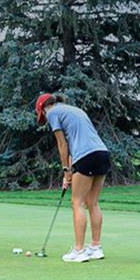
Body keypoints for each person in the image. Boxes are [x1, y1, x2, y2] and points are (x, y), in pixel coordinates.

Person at [35, 91, 110, 263]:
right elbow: (73, 143)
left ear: (44, 108)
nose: (45, 118)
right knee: (93, 203)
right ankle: (95, 247)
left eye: (42, 115)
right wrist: (68, 171)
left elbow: (63, 144)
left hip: (86, 156)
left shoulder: (53, 112)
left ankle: (79, 251)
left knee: (77, 202)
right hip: (101, 153)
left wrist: (65, 170)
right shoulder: (73, 110)